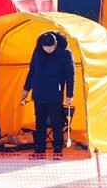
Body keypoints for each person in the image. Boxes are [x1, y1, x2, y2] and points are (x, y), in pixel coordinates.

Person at [20, 30, 74, 160]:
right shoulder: (38, 51)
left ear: (56, 44)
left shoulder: (65, 53)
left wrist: (69, 95)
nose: (48, 49)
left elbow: (70, 75)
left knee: (56, 123)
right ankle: (39, 151)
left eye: (51, 47)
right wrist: (26, 88)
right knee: (40, 123)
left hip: (55, 94)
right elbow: (32, 70)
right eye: (46, 47)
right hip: (38, 92)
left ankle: (57, 151)